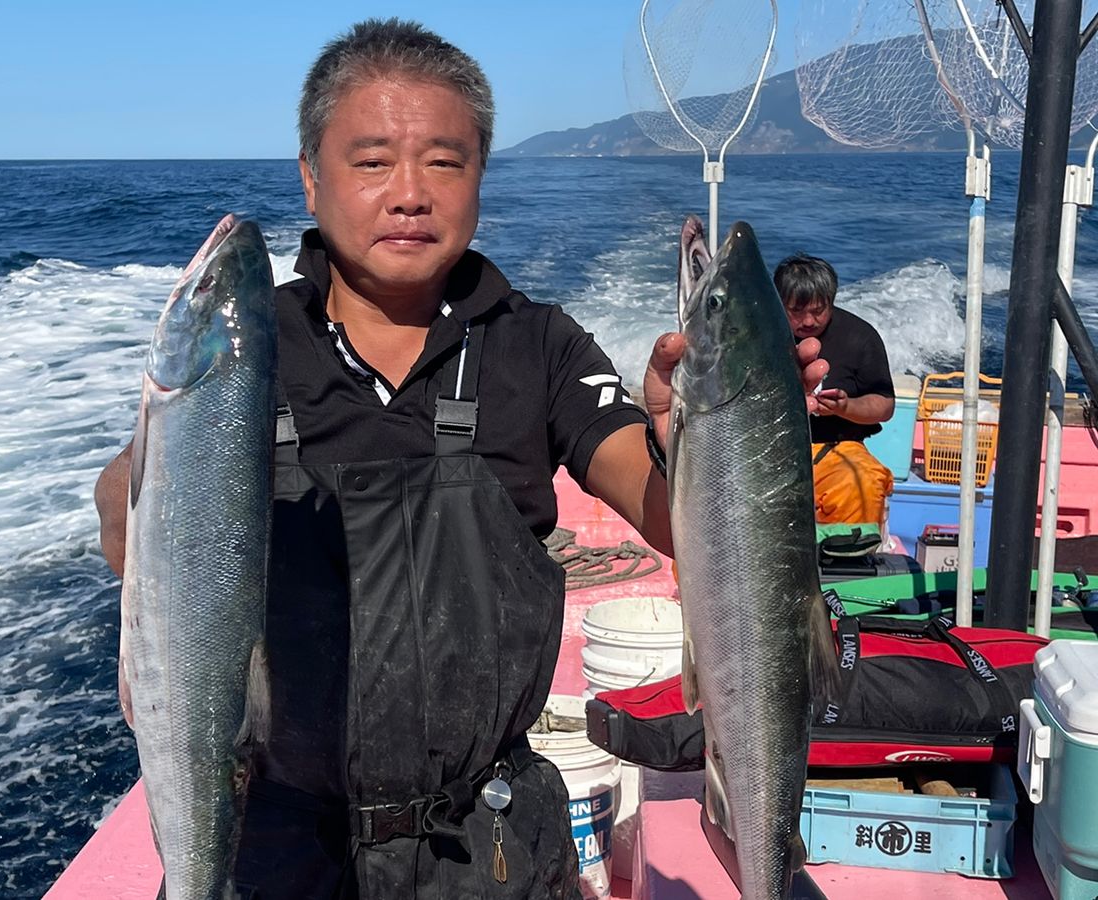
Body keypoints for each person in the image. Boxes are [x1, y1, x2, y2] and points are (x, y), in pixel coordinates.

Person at [95, 19, 827, 899]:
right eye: (371, 162)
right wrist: (151, 474)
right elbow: (130, 535)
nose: (409, 194)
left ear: (482, 175)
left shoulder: (539, 347)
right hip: (278, 839)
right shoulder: (249, 349)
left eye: (444, 161)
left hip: (491, 840)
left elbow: (672, 518)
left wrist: (708, 448)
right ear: (310, 176)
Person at [774, 252, 895, 526]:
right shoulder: (757, 335)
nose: (808, 321)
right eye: (796, 312)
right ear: (778, 303)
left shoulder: (860, 337)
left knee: (862, 484)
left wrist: (846, 407)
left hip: (835, 446)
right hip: (767, 449)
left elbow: (885, 405)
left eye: (818, 311)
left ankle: (850, 561)